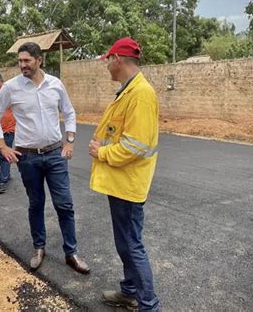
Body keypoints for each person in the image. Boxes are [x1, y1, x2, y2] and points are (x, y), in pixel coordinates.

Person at [0, 42, 89, 274]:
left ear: (39, 60)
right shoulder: (11, 87)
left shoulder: (55, 84)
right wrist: (3, 146)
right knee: (36, 204)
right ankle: (39, 248)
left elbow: (69, 111)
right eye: (20, 61)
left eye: (26, 61)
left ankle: (71, 253)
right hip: (27, 158)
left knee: (65, 204)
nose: (22, 65)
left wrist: (70, 140)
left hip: (55, 154)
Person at [88, 37, 161, 311]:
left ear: (117, 59)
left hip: (128, 184)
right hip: (121, 183)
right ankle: (130, 292)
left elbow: (135, 145)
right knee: (125, 243)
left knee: (132, 245)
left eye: (108, 60)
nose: (107, 66)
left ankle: (149, 306)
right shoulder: (129, 91)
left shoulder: (141, 94)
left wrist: (101, 151)